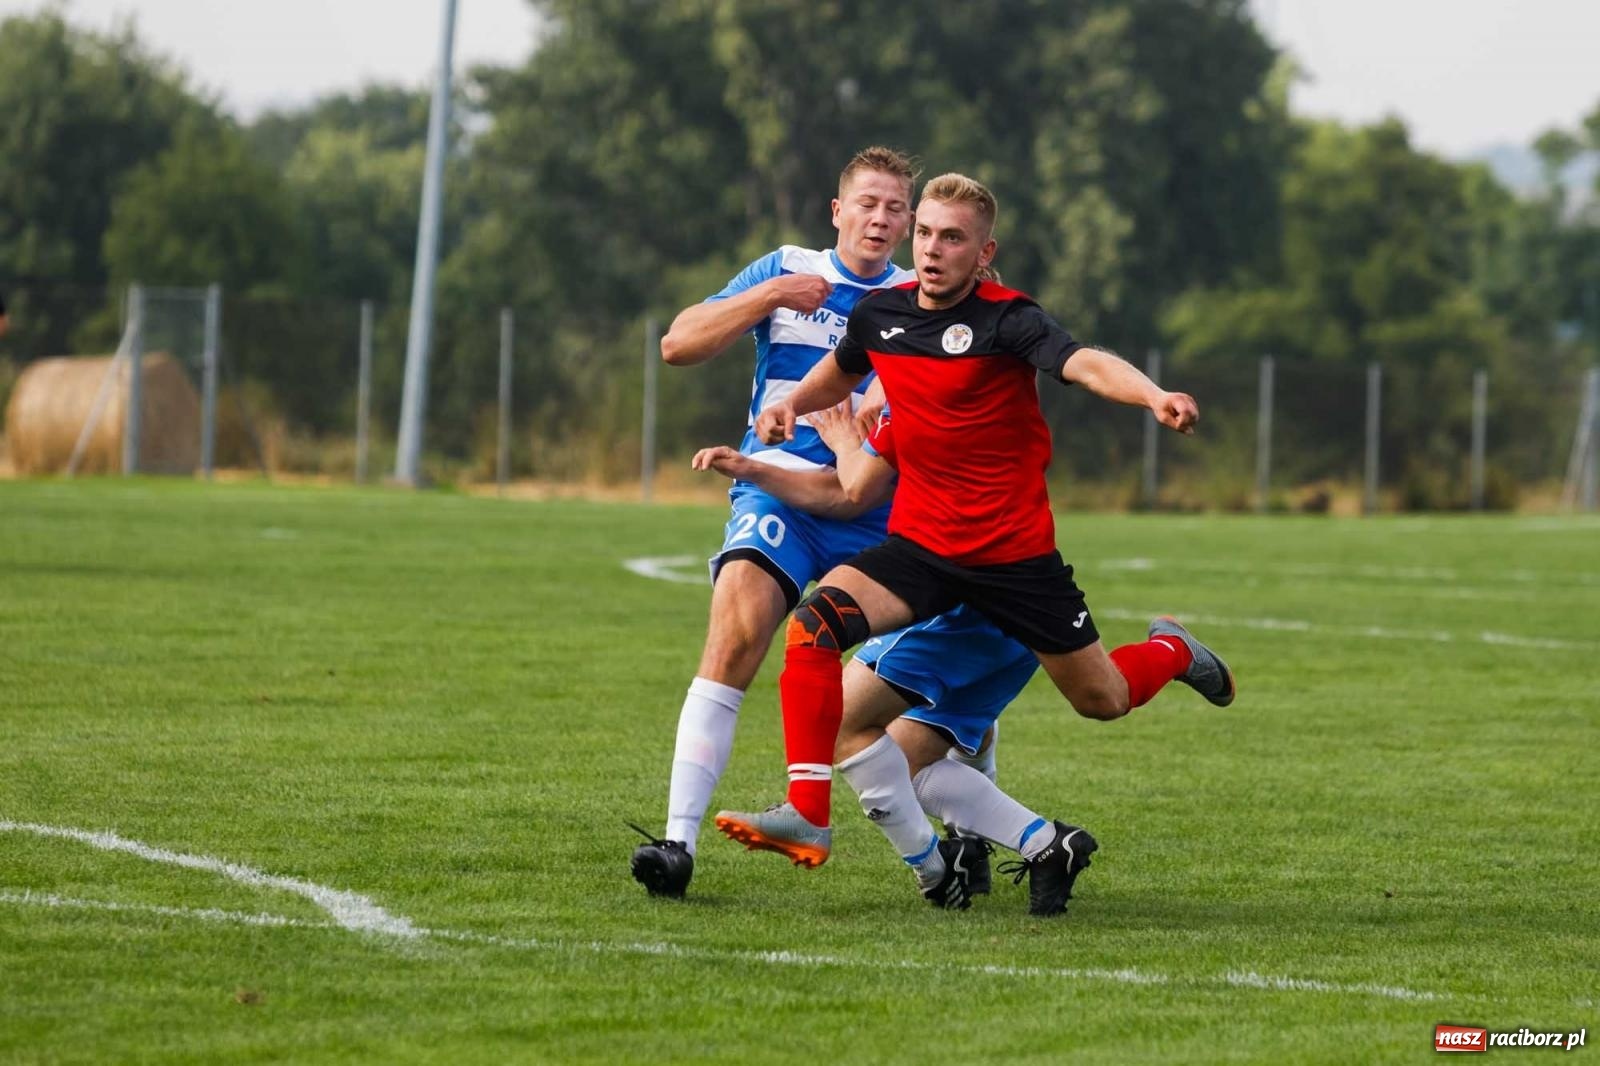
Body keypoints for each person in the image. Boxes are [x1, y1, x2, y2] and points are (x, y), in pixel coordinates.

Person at [713, 174, 1236, 909]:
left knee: (1103, 700)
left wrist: (1153, 395)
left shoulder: (1009, 321)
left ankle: (1172, 651)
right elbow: (839, 373)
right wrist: (788, 409)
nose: (930, 248)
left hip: (1014, 563)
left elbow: (1085, 362)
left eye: (951, 237)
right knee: (814, 625)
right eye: (924, 232)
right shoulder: (881, 316)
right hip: (923, 553)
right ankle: (808, 812)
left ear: (982, 252)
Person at [630, 146, 945, 901]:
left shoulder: (922, 296)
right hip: (779, 497)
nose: (880, 217)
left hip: (877, 505)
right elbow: (678, 344)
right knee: (736, 634)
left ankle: (960, 844)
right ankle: (678, 843)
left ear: (910, 223)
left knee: (935, 679)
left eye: (895, 208)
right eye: (867, 202)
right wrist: (770, 295)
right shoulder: (786, 268)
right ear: (837, 211)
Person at [694, 401, 1096, 915]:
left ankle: (916, 859)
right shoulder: (968, 376)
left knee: (843, 719)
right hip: (1023, 597)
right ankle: (1035, 844)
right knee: (912, 754)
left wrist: (839, 447)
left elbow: (854, 493)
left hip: (966, 596)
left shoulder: (921, 376)